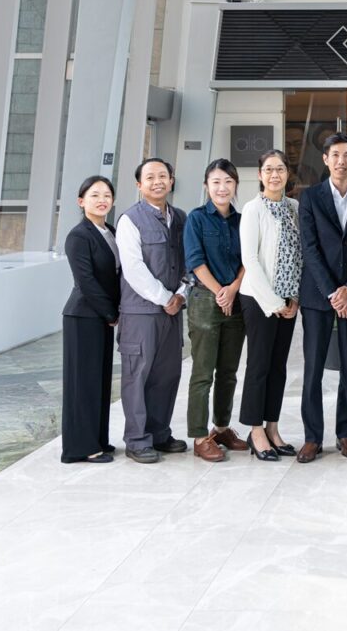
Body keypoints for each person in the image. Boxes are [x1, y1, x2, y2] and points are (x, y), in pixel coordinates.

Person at [115, 158, 190, 464]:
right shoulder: (129, 220)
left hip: (173, 310)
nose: (158, 181)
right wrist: (164, 297)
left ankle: (159, 433)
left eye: (163, 176)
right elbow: (133, 269)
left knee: (167, 373)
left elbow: (191, 260)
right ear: (139, 185)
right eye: (150, 177)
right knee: (138, 375)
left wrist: (182, 295)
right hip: (141, 313)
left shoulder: (181, 218)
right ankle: (136, 439)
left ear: (172, 180)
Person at [297, 132, 347, 463]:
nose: (341, 160)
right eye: (335, 154)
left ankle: (345, 432)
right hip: (317, 294)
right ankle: (312, 437)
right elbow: (309, 248)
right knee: (314, 367)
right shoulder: (309, 198)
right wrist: (332, 291)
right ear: (325, 159)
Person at [182, 159, 248, 463]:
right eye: (216, 182)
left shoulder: (242, 219)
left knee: (229, 372)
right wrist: (219, 291)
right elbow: (195, 260)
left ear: (235, 185)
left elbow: (250, 257)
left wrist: (233, 288)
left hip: (236, 300)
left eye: (228, 182)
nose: (222, 188)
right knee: (203, 371)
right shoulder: (196, 219)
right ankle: (198, 435)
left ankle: (221, 427)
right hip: (205, 301)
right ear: (207, 186)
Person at [238, 149, 302, 461]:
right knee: (259, 365)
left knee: (278, 367)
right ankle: (255, 431)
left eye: (280, 169)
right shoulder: (253, 209)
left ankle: (273, 427)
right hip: (260, 300)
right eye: (268, 169)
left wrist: (294, 300)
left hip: (289, 301)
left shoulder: (294, 208)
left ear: (288, 174)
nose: (274, 175)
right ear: (260, 174)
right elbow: (249, 259)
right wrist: (274, 302)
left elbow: (299, 256)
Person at [60, 175, 121, 464]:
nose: (102, 200)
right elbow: (85, 280)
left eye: (106, 194)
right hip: (83, 316)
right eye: (95, 195)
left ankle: (98, 439)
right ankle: (80, 447)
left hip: (101, 316)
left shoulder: (109, 230)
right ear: (81, 201)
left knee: (99, 381)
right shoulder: (78, 235)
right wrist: (111, 313)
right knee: (82, 383)